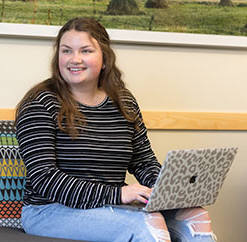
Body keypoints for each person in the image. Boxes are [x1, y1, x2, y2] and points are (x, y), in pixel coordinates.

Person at [15, 17, 216, 242]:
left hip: (110, 203)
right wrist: (119, 194)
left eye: (86, 50)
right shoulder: (40, 103)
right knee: (145, 225)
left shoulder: (124, 101)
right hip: (49, 210)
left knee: (195, 216)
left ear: (104, 59)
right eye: (66, 51)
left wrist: (168, 189)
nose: (75, 59)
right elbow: (45, 179)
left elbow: (143, 162)